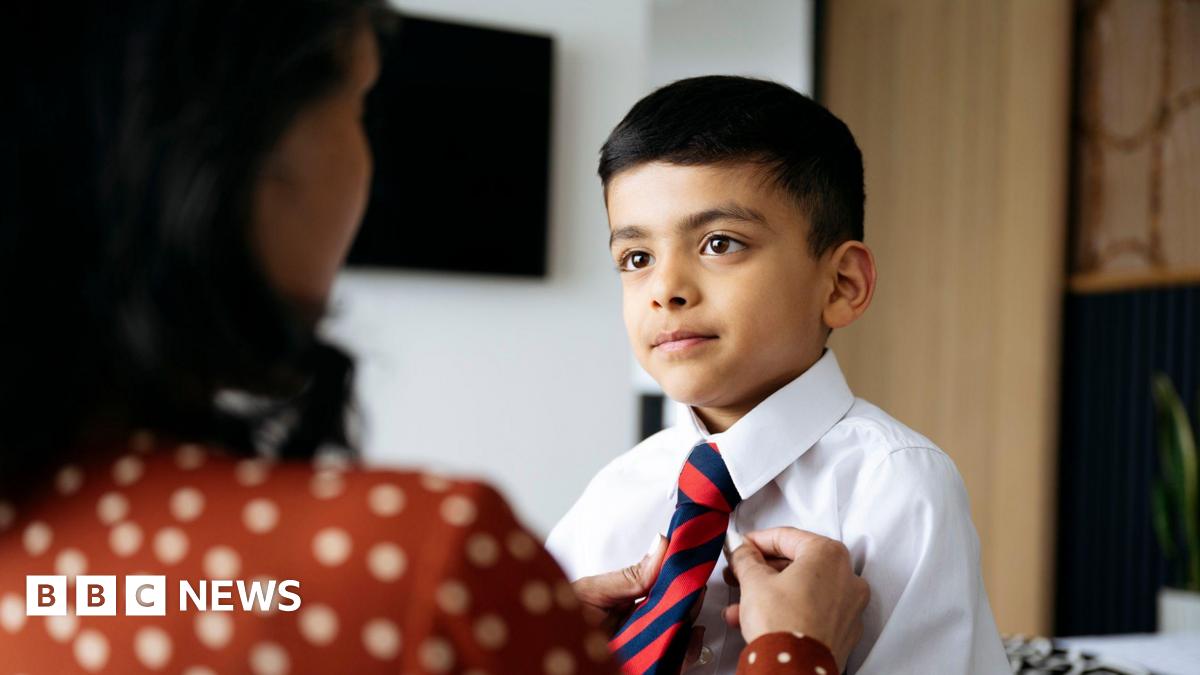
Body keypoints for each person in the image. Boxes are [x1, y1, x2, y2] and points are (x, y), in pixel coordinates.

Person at [0, 2, 868, 673]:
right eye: (361, 106)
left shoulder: (45, 556)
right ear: (238, 156)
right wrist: (793, 653)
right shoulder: (427, 562)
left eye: (719, 243)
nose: (667, 285)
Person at [547, 76, 1011, 674]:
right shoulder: (614, 493)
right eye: (637, 259)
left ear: (842, 285)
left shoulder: (897, 487)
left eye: (720, 243)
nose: (665, 290)